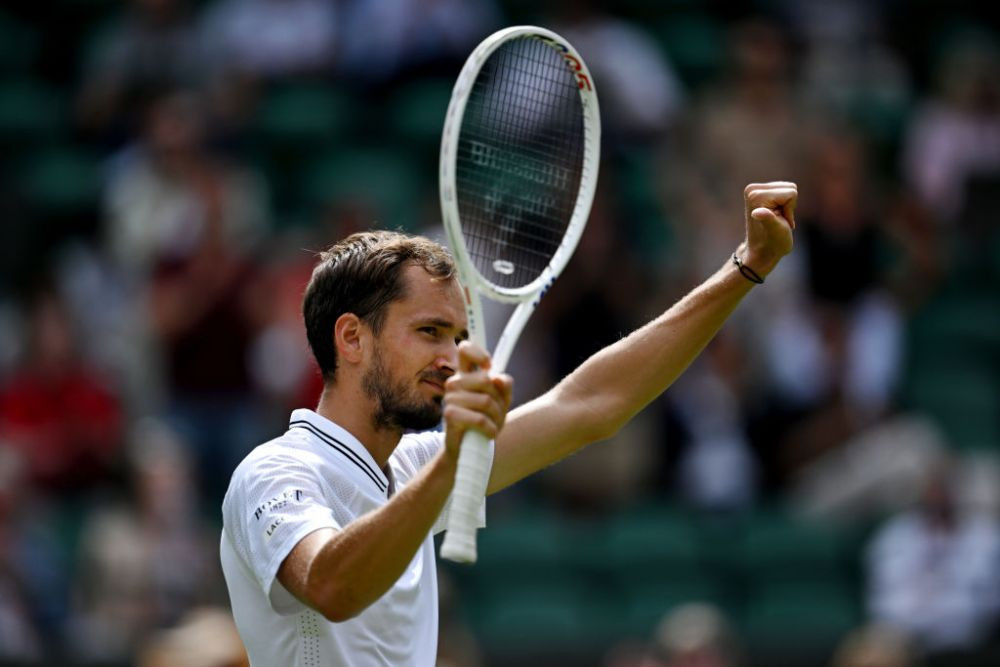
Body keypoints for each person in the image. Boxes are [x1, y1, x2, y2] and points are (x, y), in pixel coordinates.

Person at [219, 182, 798, 665]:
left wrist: (745, 268)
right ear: (351, 338)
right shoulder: (276, 471)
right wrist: (451, 464)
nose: (450, 357)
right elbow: (331, 585)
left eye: (458, 336)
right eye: (429, 332)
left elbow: (592, 405)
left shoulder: (412, 465)